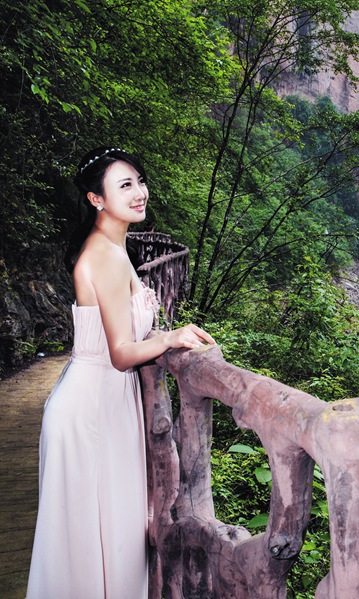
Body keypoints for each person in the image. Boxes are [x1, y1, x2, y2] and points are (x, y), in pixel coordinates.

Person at [26, 147, 215, 598]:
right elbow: (120, 352)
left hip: (101, 405)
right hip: (92, 411)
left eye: (139, 181)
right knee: (101, 540)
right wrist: (170, 338)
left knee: (100, 539)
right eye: (124, 185)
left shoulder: (114, 247)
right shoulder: (106, 256)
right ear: (96, 199)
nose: (139, 192)